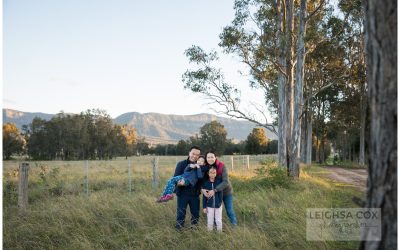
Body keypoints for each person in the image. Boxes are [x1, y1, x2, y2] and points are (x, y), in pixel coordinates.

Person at [202, 151, 238, 226]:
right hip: (214, 193)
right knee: (214, 210)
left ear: (215, 157)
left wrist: (215, 190)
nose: (210, 159)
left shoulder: (222, 166)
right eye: (208, 157)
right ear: (206, 158)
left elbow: (226, 182)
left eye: (212, 157)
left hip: (225, 192)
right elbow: (203, 181)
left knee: (229, 210)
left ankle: (234, 225)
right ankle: (216, 228)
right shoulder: (206, 168)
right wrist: (203, 189)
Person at [173, 146, 202, 230]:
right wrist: (180, 183)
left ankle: (194, 230)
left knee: (195, 214)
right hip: (182, 193)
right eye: (193, 153)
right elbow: (175, 179)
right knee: (181, 213)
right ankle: (179, 229)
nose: (195, 156)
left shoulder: (200, 165)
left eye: (197, 155)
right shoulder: (181, 164)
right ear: (189, 153)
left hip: (195, 194)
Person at [202, 166, 223, 232]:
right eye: (211, 172)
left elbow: (221, 194)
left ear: (216, 173)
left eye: (214, 173)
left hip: (218, 205)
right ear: (208, 173)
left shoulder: (218, 182)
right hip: (209, 206)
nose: (212, 174)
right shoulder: (206, 183)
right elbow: (204, 196)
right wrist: (204, 207)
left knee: (218, 220)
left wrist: (219, 203)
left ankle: (219, 233)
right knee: (210, 220)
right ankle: (209, 233)